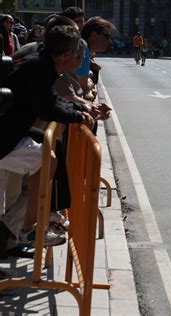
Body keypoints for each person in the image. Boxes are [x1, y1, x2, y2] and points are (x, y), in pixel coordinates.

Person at [0, 25, 95, 248]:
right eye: (77, 54)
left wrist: (82, 111)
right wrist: (80, 117)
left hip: (11, 134)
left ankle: (18, 227)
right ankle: (24, 228)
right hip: (5, 138)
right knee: (47, 160)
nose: (80, 59)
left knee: (49, 155)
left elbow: (52, 101)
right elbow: (48, 110)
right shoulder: (40, 68)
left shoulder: (42, 65)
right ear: (68, 54)